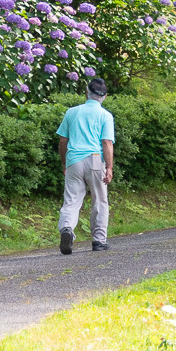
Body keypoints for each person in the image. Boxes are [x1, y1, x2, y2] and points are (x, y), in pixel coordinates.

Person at [56, 76, 114, 254]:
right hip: (95, 159)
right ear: (104, 96)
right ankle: (98, 240)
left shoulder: (71, 112)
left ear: (87, 93)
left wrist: (65, 163)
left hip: (74, 159)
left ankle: (67, 229)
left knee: (71, 200)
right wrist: (109, 167)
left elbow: (63, 140)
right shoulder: (105, 115)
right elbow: (106, 143)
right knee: (99, 200)